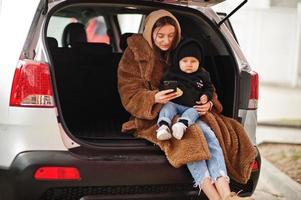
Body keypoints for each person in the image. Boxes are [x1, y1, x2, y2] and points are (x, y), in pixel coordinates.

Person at [118, 9, 256, 200]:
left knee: (210, 134)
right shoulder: (134, 54)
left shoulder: (184, 49)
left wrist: (208, 104)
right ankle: (214, 196)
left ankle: (227, 194)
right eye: (160, 36)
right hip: (156, 114)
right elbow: (128, 93)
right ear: (150, 32)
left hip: (190, 109)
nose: (166, 41)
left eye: (171, 35)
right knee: (192, 135)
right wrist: (154, 98)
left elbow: (206, 84)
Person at [156, 38, 214, 141]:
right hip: (174, 102)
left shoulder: (203, 75)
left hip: (192, 105)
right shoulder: (172, 73)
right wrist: (165, 90)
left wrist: (206, 96)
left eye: (193, 61)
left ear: (199, 62)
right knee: (167, 108)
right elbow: (162, 84)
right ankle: (163, 126)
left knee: (194, 112)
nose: (189, 64)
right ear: (178, 61)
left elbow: (209, 88)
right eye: (185, 61)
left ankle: (181, 125)